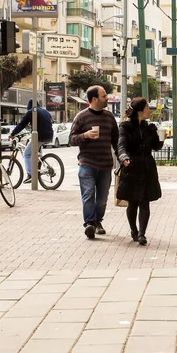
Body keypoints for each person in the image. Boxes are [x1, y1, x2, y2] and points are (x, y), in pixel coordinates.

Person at [69, 86, 119, 239]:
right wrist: (85, 135)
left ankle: (98, 221)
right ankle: (90, 223)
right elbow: (71, 139)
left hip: (105, 165)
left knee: (102, 199)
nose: (107, 98)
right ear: (95, 99)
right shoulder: (81, 117)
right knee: (88, 194)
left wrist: (122, 157)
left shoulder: (109, 117)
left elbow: (116, 141)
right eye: (104, 96)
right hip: (87, 163)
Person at [117, 97, 164, 246]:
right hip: (131, 166)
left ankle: (142, 234)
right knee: (133, 202)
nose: (149, 110)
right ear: (139, 111)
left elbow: (156, 147)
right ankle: (134, 230)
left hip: (147, 167)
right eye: (147, 108)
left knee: (145, 201)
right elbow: (121, 145)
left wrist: (161, 139)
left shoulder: (149, 127)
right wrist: (124, 157)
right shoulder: (125, 127)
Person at [10, 99, 54, 184]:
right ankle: (39, 165)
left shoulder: (31, 112)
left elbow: (22, 124)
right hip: (49, 136)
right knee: (36, 153)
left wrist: (12, 134)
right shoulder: (45, 111)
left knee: (27, 154)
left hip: (39, 136)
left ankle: (30, 175)